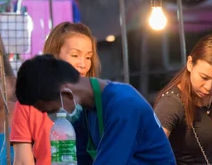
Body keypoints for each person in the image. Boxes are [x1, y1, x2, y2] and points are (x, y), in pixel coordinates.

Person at [15, 54, 176, 165]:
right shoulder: (84, 111)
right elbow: (80, 160)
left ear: (67, 94)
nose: (53, 119)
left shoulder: (123, 106)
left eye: (51, 111)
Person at [10, 22, 100, 165]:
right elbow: (22, 160)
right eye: (75, 55)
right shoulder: (28, 103)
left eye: (88, 57)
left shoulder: (97, 101)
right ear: (54, 57)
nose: (83, 64)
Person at [154, 33, 212, 165]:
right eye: (204, 77)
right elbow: (151, 150)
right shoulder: (171, 104)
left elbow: (210, 137)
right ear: (190, 64)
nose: (209, 87)